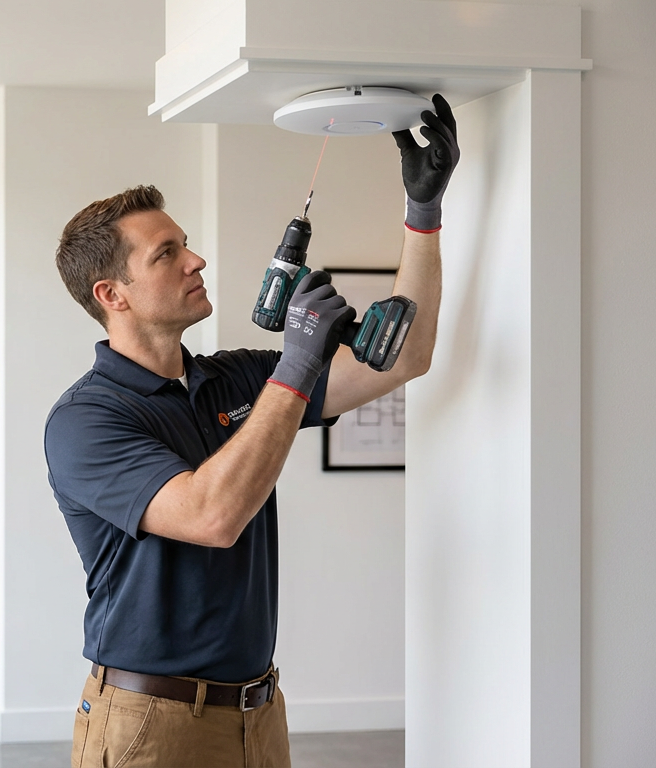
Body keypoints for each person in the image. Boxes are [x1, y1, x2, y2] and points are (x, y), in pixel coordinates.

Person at [44, 95, 458, 768]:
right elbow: (212, 517)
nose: (197, 260)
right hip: (152, 720)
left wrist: (423, 216)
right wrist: (295, 365)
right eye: (168, 253)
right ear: (111, 295)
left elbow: (403, 358)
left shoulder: (233, 379)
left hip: (258, 709)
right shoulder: (87, 421)